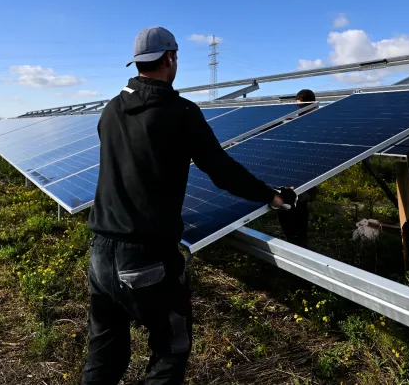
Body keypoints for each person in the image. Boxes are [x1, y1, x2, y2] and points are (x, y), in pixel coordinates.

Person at [81, 26, 295, 385]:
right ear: (169, 58)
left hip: (100, 254)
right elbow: (221, 169)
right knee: (170, 350)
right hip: (148, 257)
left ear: (136, 64)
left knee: (104, 353)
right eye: (175, 56)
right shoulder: (180, 112)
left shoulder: (110, 110)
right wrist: (271, 196)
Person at [275, 89, 319, 248]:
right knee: (286, 207)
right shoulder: (295, 124)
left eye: (302, 108)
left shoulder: (318, 123)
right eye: (298, 108)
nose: (300, 111)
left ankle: (300, 243)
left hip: (306, 179)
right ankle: (293, 240)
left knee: (299, 207)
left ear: (313, 105)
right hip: (290, 174)